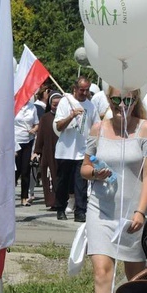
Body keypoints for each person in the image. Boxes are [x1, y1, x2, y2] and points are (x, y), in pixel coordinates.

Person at [80, 87, 147, 293]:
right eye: (115, 99)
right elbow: (84, 167)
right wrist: (95, 173)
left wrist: (141, 211)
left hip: (133, 212)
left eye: (127, 100)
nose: (121, 105)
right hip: (101, 210)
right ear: (107, 99)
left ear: (135, 100)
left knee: (135, 276)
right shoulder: (98, 129)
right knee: (102, 271)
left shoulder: (146, 129)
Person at [53, 76, 100, 222]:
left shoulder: (90, 106)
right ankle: (60, 208)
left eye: (87, 90)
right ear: (75, 89)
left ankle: (80, 211)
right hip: (65, 150)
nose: (84, 93)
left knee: (81, 184)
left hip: (82, 151)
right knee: (63, 182)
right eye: (81, 90)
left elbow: (97, 125)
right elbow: (59, 126)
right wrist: (71, 115)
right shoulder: (65, 102)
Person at [34, 92, 63, 210]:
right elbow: (40, 135)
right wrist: (37, 150)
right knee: (49, 177)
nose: (56, 107)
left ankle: (62, 200)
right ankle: (52, 201)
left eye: (59, 105)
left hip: (62, 152)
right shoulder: (45, 118)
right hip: (48, 152)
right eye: (54, 104)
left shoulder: (65, 118)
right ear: (50, 104)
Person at [15, 100, 39, 207]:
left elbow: (36, 123)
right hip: (15, 141)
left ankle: (24, 197)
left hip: (28, 141)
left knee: (25, 170)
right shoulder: (13, 104)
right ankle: (8, 197)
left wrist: (34, 129)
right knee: (15, 171)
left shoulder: (32, 107)